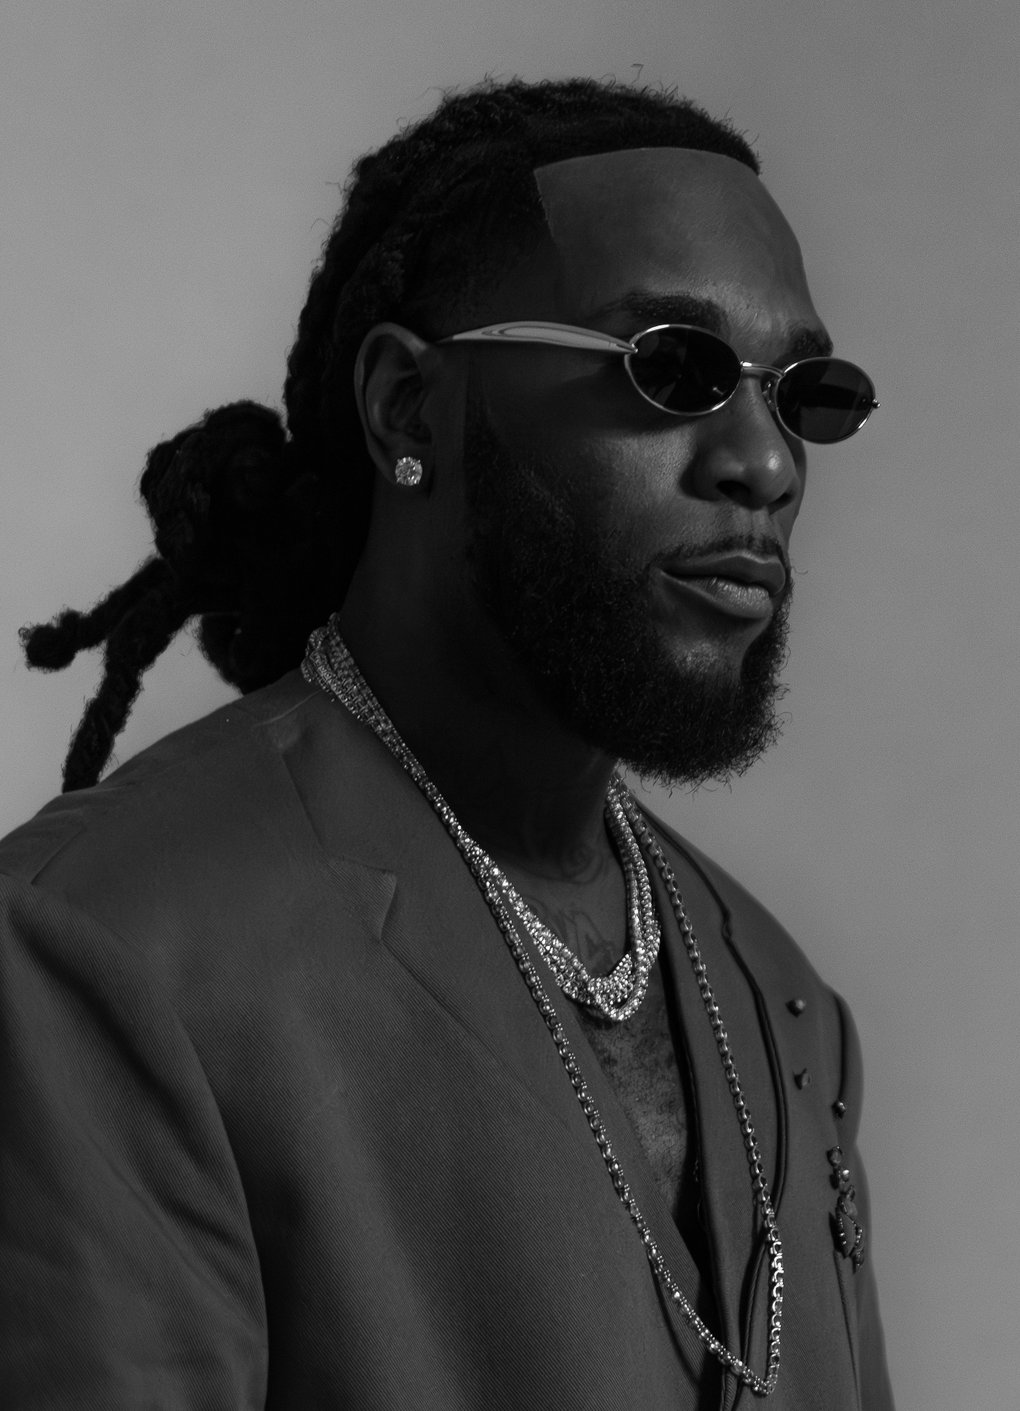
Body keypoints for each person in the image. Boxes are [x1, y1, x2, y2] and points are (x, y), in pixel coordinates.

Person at [0, 77, 894, 1409]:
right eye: (674, 368)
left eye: (803, 394)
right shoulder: (104, 952)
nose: (763, 463)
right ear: (410, 409)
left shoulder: (782, 1000)